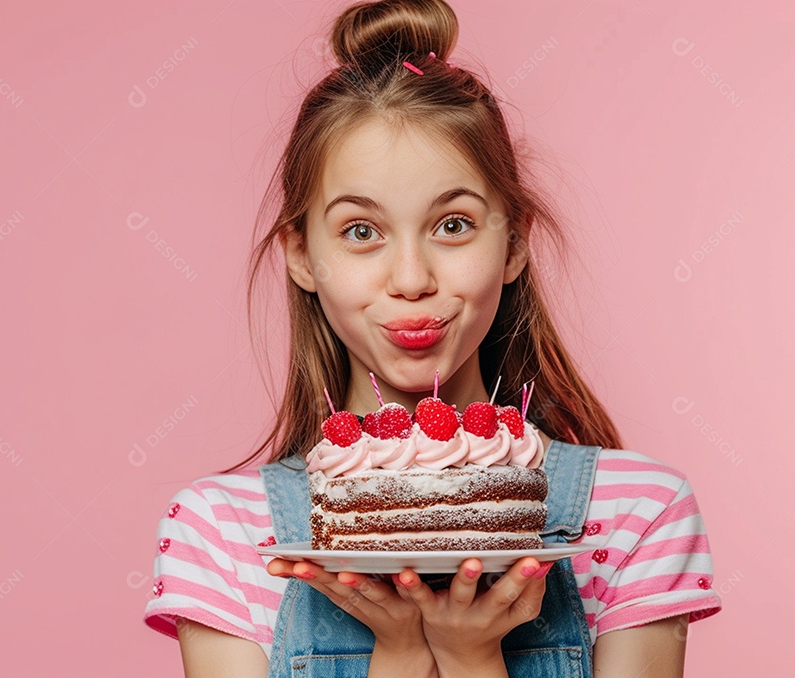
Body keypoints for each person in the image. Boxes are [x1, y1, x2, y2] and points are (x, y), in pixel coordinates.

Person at [142, 0, 721, 675]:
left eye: (453, 225)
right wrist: (401, 655)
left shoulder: (636, 515)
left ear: (513, 242)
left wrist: (472, 658)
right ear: (301, 254)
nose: (411, 280)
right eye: (361, 232)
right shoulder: (223, 533)